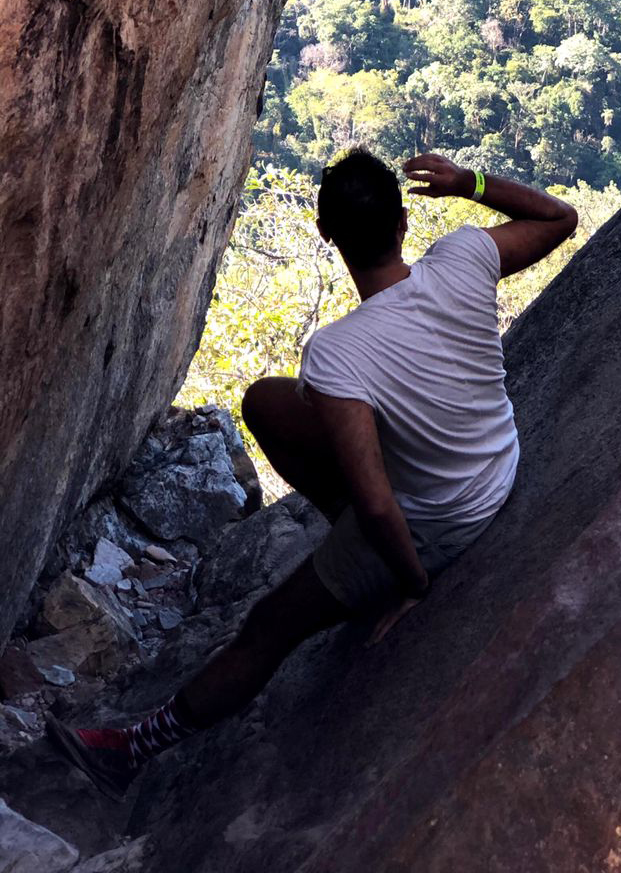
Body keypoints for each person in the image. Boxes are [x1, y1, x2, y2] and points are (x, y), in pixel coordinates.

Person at [48, 149, 577, 799]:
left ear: (328, 236)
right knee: (266, 401)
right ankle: (354, 545)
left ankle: (129, 751)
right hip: (496, 461)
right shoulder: (463, 257)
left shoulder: (338, 353)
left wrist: (411, 588)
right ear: (405, 220)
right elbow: (559, 217)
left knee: (271, 626)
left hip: (434, 523)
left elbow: (380, 507)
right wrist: (467, 183)